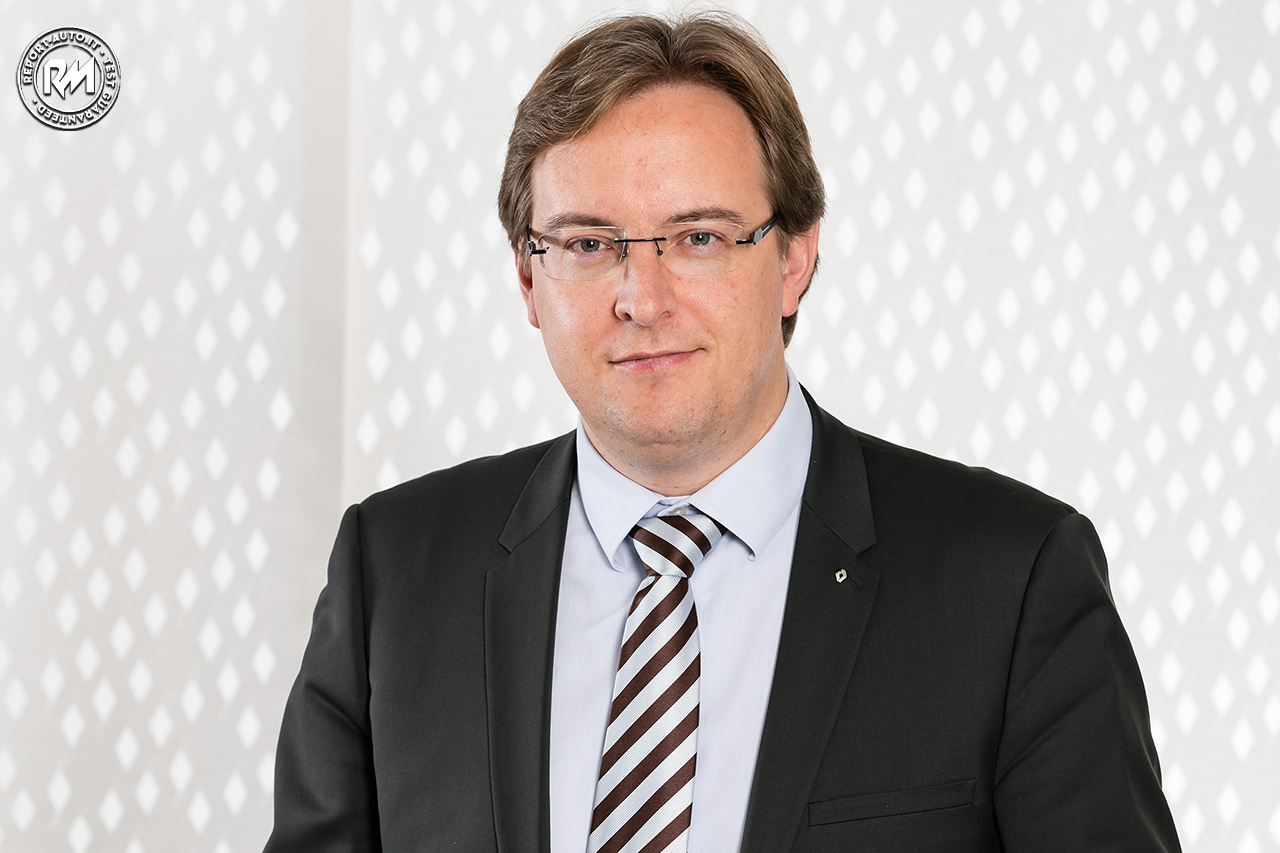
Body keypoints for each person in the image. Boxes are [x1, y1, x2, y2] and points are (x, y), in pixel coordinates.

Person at [264, 12, 1180, 853]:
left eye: (698, 237)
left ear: (795, 257)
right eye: (587, 243)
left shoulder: (1011, 581)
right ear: (528, 279)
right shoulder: (394, 574)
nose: (641, 297)